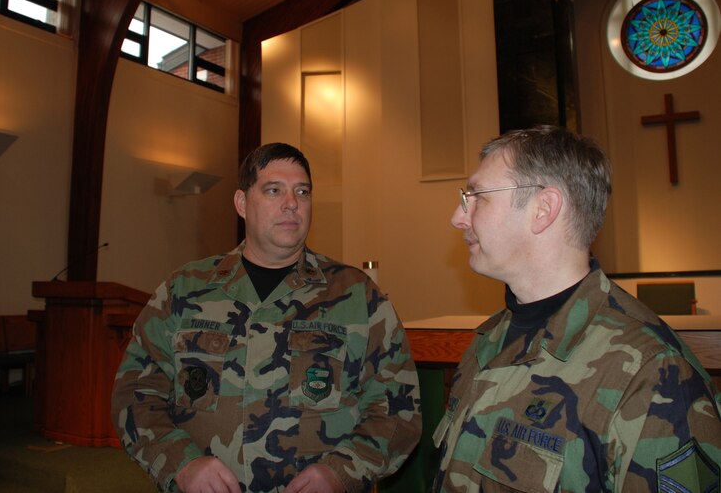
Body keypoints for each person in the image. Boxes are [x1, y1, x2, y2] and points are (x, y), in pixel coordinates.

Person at [112, 142, 422, 493]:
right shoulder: (183, 291)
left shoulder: (357, 296)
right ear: (242, 203)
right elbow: (136, 393)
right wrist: (181, 463)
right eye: (274, 190)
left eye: (302, 192)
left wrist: (342, 472)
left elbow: (397, 409)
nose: (292, 203)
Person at [433, 125, 721, 492]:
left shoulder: (650, 372)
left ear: (544, 209)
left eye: (477, 196)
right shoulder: (490, 340)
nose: (458, 217)